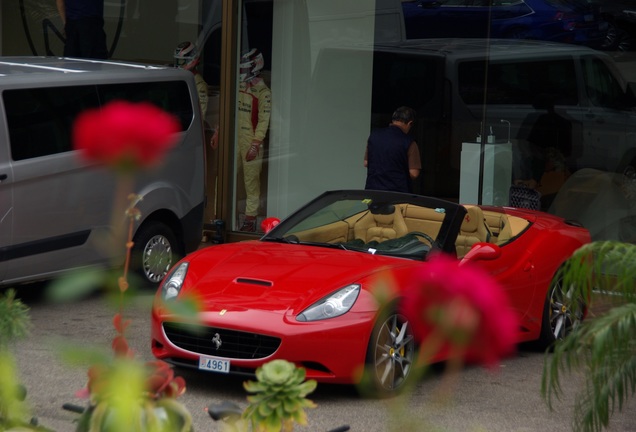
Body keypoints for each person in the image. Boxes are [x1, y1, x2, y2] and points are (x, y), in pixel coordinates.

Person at [237, 48, 271, 232]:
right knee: (224, 176)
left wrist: (256, 143)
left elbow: (264, 120)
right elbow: (229, 110)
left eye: (244, 69)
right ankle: (221, 214)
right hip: (235, 138)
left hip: (251, 140)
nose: (241, 73)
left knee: (251, 182)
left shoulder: (263, 92)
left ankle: (250, 219)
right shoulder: (240, 87)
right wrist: (219, 131)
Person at [364, 106, 421, 193]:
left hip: (373, 190)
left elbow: (366, 162)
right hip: (398, 193)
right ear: (410, 123)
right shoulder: (409, 142)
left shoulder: (374, 136)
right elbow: (414, 173)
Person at [174, 41, 208, 115]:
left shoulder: (199, 84)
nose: (180, 65)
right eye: (178, 61)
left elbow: (201, 114)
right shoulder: (177, 78)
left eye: (183, 61)